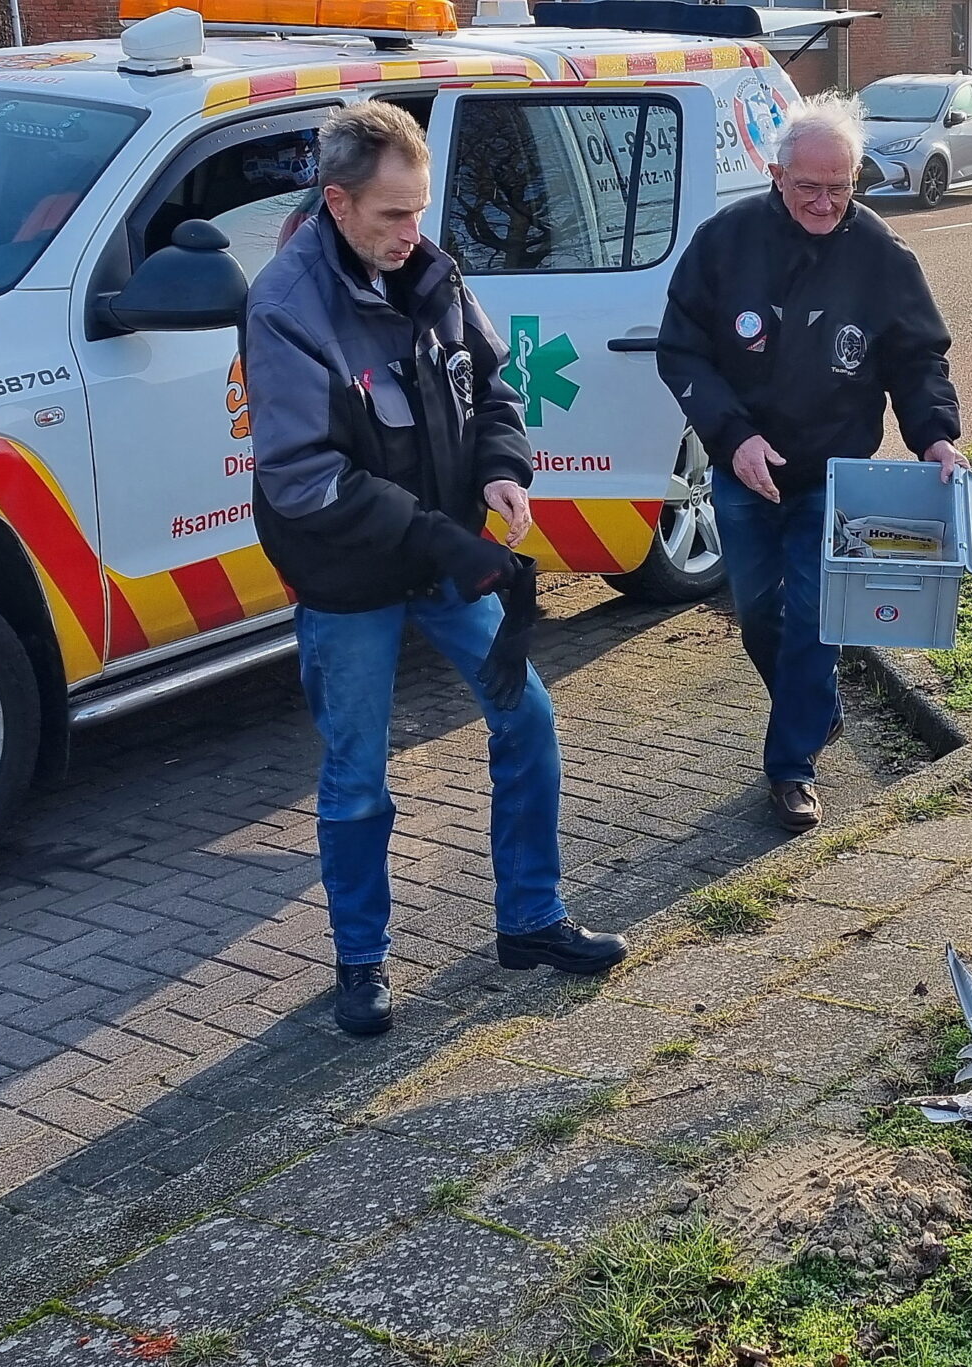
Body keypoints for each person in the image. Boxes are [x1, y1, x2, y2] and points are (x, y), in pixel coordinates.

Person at [242, 101, 626, 1038]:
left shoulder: (433, 271)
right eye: (390, 216)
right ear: (336, 204)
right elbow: (302, 478)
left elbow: (492, 387)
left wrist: (501, 469)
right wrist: (442, 538)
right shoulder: (285, 307)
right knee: (358, 775)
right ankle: (361, 962)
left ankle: (532, 919)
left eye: (418, 212)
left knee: (528, 719)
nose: (410, 235)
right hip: (352, 579)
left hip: (445, 555)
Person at [657, 94, 965, 833]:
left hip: (835, 478)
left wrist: (936, 436)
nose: (826, 202)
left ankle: (790, 766)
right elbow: (683, 348)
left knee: (814, 621)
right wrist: (733, 438)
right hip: (745, 470)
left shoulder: (883, 255)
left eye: (841, 187)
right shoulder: (724, 242)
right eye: (809, 187)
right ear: (776, 174)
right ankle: (817, 707)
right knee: (760, 615)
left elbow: (917, 359)